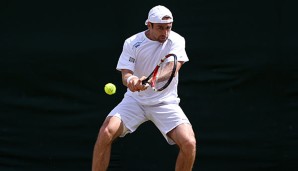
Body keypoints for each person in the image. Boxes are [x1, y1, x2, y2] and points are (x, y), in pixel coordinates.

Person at [92, 5, 196, 171]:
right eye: (160, 28)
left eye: (168, 28)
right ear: (149, 25)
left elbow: (172, 68)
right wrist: (132, 80)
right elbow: (125, 75)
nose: (165, 33)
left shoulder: (177, 40)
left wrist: (150, 80)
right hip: (135, 102)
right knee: (105, 133)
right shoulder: (132, 43)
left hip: (165, 103)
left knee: (189, 143)